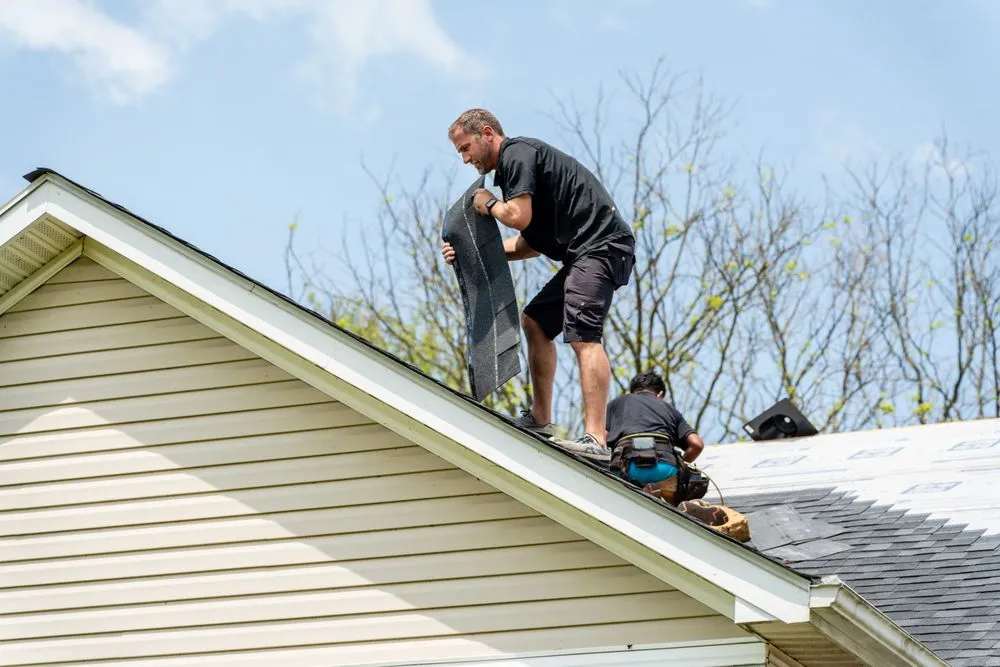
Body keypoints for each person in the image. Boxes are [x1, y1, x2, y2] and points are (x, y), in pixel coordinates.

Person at [442, 108, 635, 462]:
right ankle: (541, 419)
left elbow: (516, 217)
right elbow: (528, 243)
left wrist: (487, 205)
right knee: (535, 322)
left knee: (583, 336)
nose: (465, 159)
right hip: (585, 255)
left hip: (602, 247)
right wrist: (473, 253)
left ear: (487, 133)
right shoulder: (516, 176)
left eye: (466, 148)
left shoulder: (517, 154)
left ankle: (596, 437)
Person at [605, 371, 704, 464]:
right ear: (660, 394)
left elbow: (601, 438)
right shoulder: (671, 410)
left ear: (632, 392)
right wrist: (682, 466)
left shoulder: (617, 403)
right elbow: (697, 444)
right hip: (665, 467)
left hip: (627, 464)